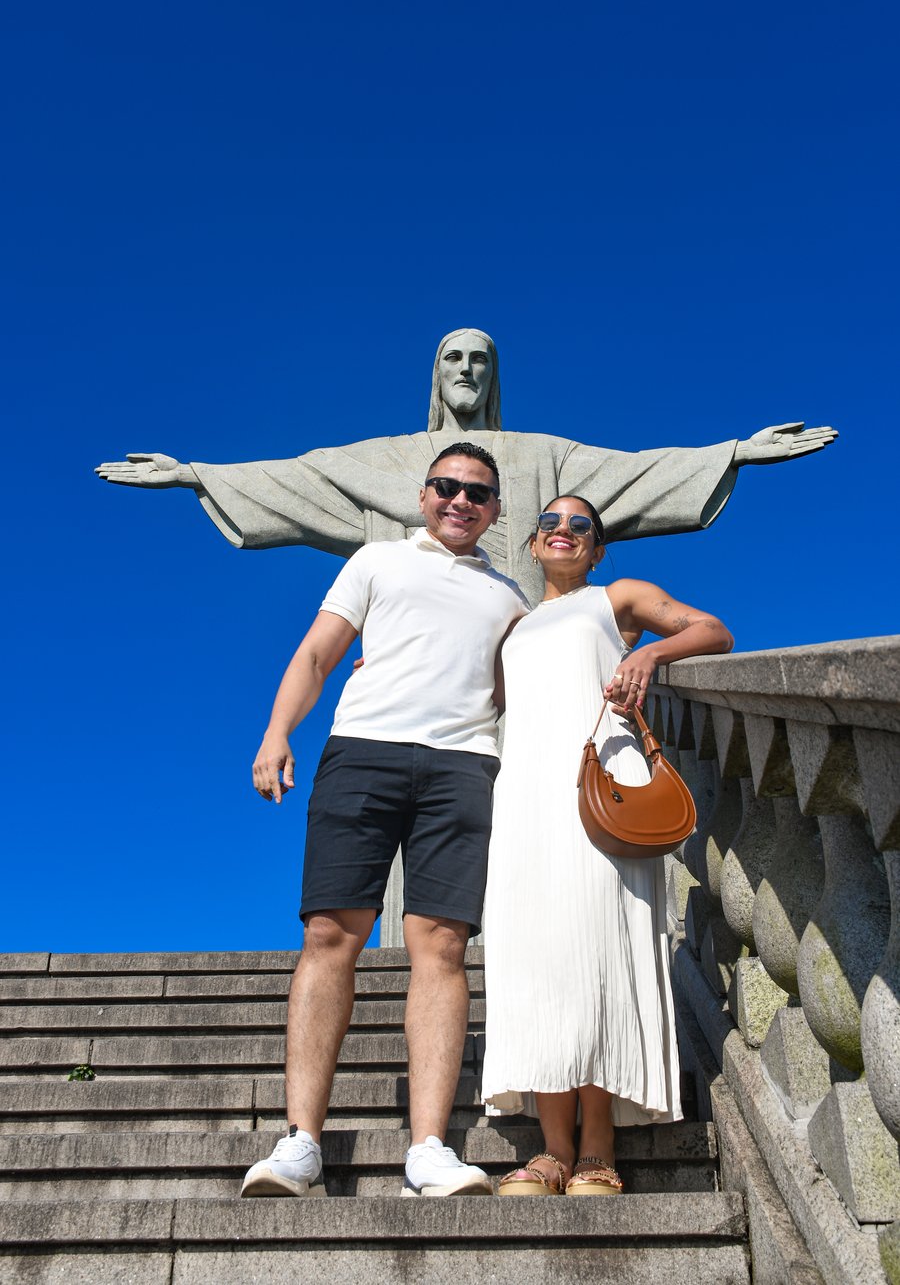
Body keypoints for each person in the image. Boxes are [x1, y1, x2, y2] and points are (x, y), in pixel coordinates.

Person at [241, 442, 528, 1199]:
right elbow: (318, 653)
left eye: (477, 492)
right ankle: (301, 1142)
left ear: (495, 508)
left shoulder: (509, 599)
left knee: (443, 945)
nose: (460, 501)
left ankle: (429, 1148)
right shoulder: (376, 561)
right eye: (447, 487)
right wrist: (277, 733)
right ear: (424, 495)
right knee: (330, 932)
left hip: (464, 765)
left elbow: (519, 695)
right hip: (363, 751)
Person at [94, 327, 837, 607]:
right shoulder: (381, 459)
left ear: (495, 376)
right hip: (420, 664)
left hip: (524, 643)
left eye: (481, 359)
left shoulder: (545, 453)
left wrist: (732, 451)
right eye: (454, 357)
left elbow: (635, 474)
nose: (467, 369)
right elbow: (300, 478)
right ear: (435, 373)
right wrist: (195, 473)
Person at [480, 494, 733, 1197]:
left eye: (580, 527)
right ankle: (551, 1149)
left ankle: (599, 1146)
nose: (564, 532)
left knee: (593, 951)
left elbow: (713, 630)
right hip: (525, 799)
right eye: (551, 525)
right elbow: (485, 698)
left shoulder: (617, 598)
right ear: (533, 546)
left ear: (595, 548)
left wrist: (651, 650)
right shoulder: (516, 626)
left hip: (599, 790)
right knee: (538, 961)